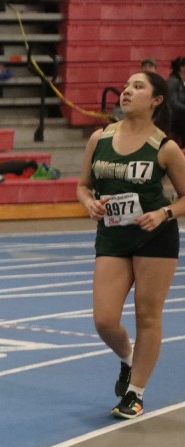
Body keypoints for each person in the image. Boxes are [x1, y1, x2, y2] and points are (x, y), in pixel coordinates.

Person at [76, 71, 185, 420]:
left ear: (156, 101)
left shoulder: (165, 148)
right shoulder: (100, 138)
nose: (126, 91)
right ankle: (127, 358)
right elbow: (82, 185)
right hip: (113, 237)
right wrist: (89, 203)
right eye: (126, 86)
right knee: (104, 320)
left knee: (147, 315)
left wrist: (164, 213)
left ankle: (135, 393)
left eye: (138, 87)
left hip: (155, 237)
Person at [165, 56, 185, 145]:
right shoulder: (172, 81)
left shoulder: (181, 81)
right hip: (173, 118)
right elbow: (172, 102)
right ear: (182, 68)